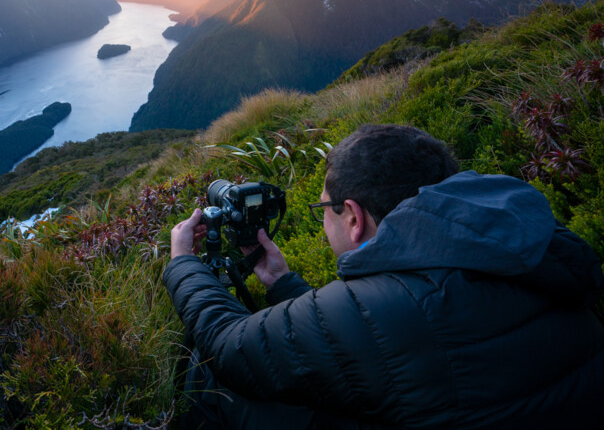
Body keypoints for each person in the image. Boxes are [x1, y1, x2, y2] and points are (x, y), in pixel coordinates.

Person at [164, 124, 604, 429]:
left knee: (212, 381)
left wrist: (183, 260)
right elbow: (375, 341)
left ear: (353, 216)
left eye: (324, 209)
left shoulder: (393, 309)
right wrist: (283, 283)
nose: (323, 221)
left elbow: (227, 346)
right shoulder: (534, 250)